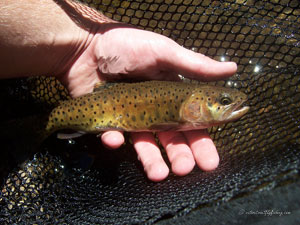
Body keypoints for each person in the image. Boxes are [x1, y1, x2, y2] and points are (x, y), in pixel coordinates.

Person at [0, 0, 237, 182]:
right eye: (224, 101)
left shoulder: (182, 101)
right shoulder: (180, 105)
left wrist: (84, 41)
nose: (228, 105)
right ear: (194, 104)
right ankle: (31, 131)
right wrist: (87, 43)